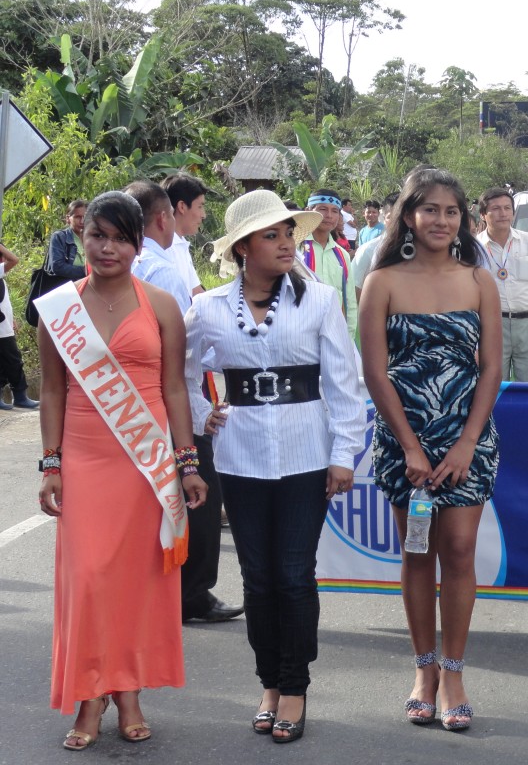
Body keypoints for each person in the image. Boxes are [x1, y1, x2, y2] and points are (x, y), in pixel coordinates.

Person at [184, 190, 363, 743]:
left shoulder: (320, 300)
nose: (287, 243)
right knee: (258, 579)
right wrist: (203, 414)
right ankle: (268, 682)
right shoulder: (210, 308)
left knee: (293, 574)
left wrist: (343, 454)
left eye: (289, 233)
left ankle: (295, 686)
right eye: (272, 235)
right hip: (239, 458)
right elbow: (180, 374)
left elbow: (345, 382)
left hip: (307, 456)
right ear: (242, 247)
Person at [36, 191, 207, 750]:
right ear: (82, 237)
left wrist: (186, 462)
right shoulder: (58, 308)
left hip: (145, 463)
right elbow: (52, 391)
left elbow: (174, 388)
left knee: (136, 583)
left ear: (138, 244)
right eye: (97, 236)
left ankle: (128, 691)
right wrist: (51, 463)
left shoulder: (161, 305)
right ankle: (90, 695)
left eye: (120, 239)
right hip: (84, 458)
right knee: (88, 581)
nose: (107, 248)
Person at [359, 168, 501, 732]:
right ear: (409, 216)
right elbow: (375, 372)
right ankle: (424, 670)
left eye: (451, 211)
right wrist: (410, 447)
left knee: (460, 551)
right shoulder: (382, 282)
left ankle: (455, 673)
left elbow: (491, 368)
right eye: (431, 210)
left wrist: (466, 443)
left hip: (468, 440)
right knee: (417, 553)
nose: (441, 221)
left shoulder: (479, 281)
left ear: (463, 219)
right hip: (404, 443)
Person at [159, 174, 243, 623]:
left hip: (181, 382)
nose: (202, 214)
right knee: (199, 486)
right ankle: (191, 591)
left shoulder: (176, 251)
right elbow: (184, 339)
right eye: (200, 207)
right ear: (175, 209)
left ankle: (180, 589)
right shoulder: (161, 264)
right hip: (179, 387)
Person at [476, 187, 528, 382]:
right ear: (483, 214)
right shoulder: (474, 247)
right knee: (493, 386)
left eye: (507, 208)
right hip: (492, 326)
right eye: (495, 209)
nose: (503, 214)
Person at [123, 180, 193, 315]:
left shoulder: (117, 262)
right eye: (172, 214)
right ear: (162, 219)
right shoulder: (163, 272)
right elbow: (178, 326)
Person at [301, 189, 358, 343]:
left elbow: (349, 300)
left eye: (334, 211)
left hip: (335, 335)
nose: (329, 216)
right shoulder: (296, 250)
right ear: (308, 211)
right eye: (322, 209)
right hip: (300, 335)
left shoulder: (342, 254)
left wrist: (349, 339)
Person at [0, 242, 39, 409]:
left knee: (6, 363)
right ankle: (20, 396)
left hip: (4, 325)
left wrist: (11, 319)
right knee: (14, 361)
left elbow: (3, 303)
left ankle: (18, 396)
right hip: (1, 329)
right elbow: (14, 259)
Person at [162, 174, 208, 297]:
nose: (203, 215)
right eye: (200, 207)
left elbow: (196, 292)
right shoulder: (165, 248)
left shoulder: (180, 244)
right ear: (182, 206)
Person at [353, 192, 398, 303]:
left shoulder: (424, 252)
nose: (399, 222)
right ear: (384, 217)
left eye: (405, 216)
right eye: (391, 217)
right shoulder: (368, 250)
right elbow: (354, 290)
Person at [46, 200, 89, 281]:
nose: (82, 221)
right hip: (66, 286)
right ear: (68, 218)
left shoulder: (93, 239)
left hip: (89, 285)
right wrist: (87, 271)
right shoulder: (60, 237)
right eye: (77, 217)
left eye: (85, 217)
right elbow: (57, 266)